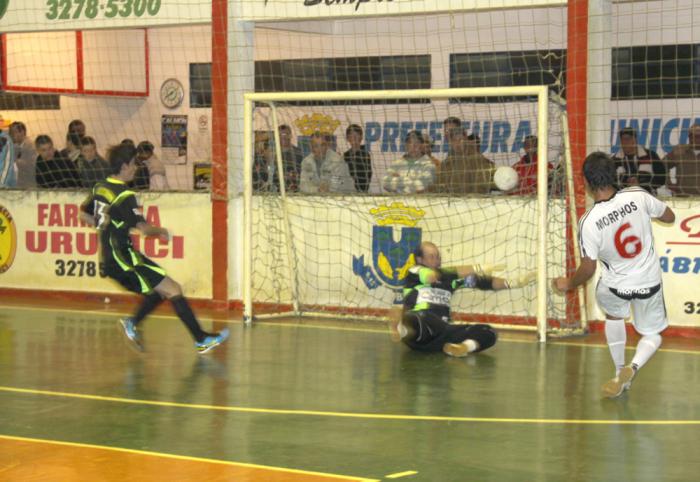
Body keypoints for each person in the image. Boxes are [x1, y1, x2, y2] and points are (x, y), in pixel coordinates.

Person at [79, 143, 229, 354]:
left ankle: (133, 323)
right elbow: (144, 229)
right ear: (123, 166)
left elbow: (83, 214)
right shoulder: (124, 195)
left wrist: (106, 227)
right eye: (133, 164)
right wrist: (162, 231)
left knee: (160, 292)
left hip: (113, 258)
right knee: (173, 289)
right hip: (124, 259)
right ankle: (200, 339)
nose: (135, 168)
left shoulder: (100, 186)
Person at [553, 152, 675, 398]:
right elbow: (669, 217)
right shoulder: (638, 195)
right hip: (647, 282)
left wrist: (568, 284)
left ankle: (619, 371)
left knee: (613, 315)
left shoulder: (589, 222)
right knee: (652, 334)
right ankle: (633, 366)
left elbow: (588, 268)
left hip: (614, 287)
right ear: (614, 174)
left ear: (586, 182)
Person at [393, 241, 535, 357]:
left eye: (438, 256)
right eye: (431, 256)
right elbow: (432, 276)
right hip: (420, 330)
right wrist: (477, 267)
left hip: (442, 335)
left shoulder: (450, 281)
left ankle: (461, 348)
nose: (437, 260)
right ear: (420, 259)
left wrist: (513, 283)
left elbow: (483, 282)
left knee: (488, 332)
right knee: (418, 318)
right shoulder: (414, 272)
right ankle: (402, 328)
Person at [612, 127, 666, 195]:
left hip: (647, 197)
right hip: (623, 199)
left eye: (628, 139)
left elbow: (662, 178)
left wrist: (640, 184)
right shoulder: (614, 160)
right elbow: (611, 183)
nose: (625, 142)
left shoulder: (650, 155)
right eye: (623, 139)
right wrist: (626, 185)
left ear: (635, 140)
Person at [663, 122, 700, 196]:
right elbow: (662, 165)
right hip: (682, 198)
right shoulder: (679, 151)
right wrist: (669, 184)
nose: (697, 139)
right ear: (689, 137)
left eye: (699, 136)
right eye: (694, 136)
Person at [343, 124, 372, 192]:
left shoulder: (365, 155)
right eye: (351, 135)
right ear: (347, 138)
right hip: (347, 190)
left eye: (357, 135)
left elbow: (368, 175)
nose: (354, 138)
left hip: (361, 191)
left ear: (361, 137)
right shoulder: (345, 155)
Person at [9, 121, 37, 189]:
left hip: (28, 186)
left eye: (13, 132)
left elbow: (32, 167)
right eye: (10, 133)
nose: (11, 135)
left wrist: (15, 161)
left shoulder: (31, 147)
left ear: (22, 132)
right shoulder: (14, 146)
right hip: (17, 185)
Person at [278, 124, 302, 192]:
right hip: (275, 191)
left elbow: (303, 173)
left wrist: (294, 176)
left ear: (290, 135)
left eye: (285, 134)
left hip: (294, 192)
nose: (283, 137)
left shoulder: (298, 153)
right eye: (280, 135)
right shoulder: (271, 154)